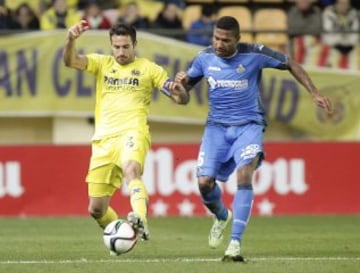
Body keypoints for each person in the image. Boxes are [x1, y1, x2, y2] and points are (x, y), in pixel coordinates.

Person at [175, 16, 332, 262]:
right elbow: (182, 98)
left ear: (238, 39)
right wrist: (179, 88)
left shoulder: (255, 54)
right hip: (216, 127)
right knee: (204, 183)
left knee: (244, 174)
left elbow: (291, 63)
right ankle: (221, 216)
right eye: (216, 38)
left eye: (225, 40)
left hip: (249, 125)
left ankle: (235, 244)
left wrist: (314, 93)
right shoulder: (204, 58)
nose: (219, 44)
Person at [63, 21, 188, 252]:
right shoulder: (102, 63)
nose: (121, 52)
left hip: (133, 132)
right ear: (111, 45)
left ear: (135, 45)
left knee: (132, 170)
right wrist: (70, 39)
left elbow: (178, 97)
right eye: (117, 47)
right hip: (103, 141)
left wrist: (181, 93)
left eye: (126, 47)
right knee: (96, 209)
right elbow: (71, 61)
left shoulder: (150, 69)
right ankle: (125, 235)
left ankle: (140, 219)